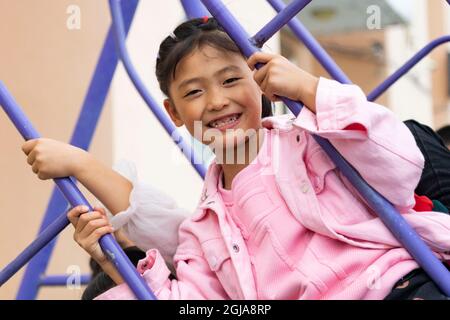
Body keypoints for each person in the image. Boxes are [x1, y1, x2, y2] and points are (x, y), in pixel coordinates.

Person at [21, 17, 450, 300]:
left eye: (230, 79)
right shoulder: (204, 228)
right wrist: (115, 257)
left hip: (397, 289)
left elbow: (399, 166)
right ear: (174, 113)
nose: (217, 101)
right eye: (193, 92)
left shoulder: (312, 140)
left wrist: (310, 90)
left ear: (261, 82)